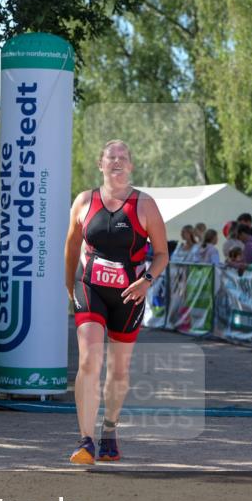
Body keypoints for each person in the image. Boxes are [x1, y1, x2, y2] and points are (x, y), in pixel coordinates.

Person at [64, 140, 168, 465]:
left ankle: (109, 428)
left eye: (124, 157)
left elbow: (162, 254)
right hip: (90, 287)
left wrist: (147, 280)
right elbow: (70, 247)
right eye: (111, 157)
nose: (117, 162)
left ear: (131, 166)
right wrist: (70, 288)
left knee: (118, 370)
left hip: (129, 294)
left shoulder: (145, 205)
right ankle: (86, 440)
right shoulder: (84, 201)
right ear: (101, 164)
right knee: (88, 363)